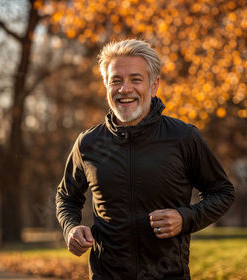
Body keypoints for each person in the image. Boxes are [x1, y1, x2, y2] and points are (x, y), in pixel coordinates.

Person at [56, 39, 235, 280]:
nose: (125, 89)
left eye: (135, 79)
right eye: (116, 80)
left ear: (153, 86)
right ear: (106, 86)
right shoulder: (88, 143)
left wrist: (184, 218)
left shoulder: (183, 137)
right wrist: (71, 228)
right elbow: (66, 197)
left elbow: (223, 192)